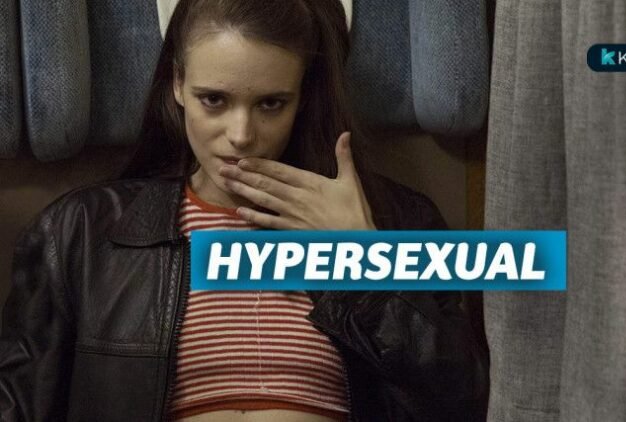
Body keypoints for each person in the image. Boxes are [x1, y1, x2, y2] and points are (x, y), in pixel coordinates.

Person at [0, 0, 489, 421]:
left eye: (271, 104)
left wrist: (365, 263)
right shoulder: (81, 232)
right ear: (178, 85)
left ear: (302, 98)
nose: (241, 135)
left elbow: (464, 402)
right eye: (213, 100)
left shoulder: (397, 220)